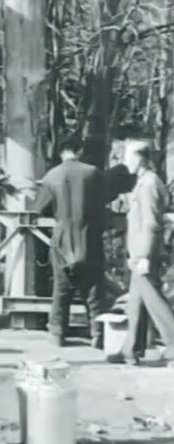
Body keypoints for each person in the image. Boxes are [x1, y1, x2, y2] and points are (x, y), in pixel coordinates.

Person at [34, 134, 109, 348]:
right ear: (80, 151)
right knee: (94, 287)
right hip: (89, 237)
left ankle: (57, 332)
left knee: (62, 287)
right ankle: (97, 332)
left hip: (62, 238)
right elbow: (105, 200)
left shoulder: (51, 176)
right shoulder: (93, 173)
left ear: (60, 152)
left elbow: (39, 209)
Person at [109, 140, 174, 365]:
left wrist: (145, 256)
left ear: (140, 158)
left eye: (128, 157)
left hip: (144, 253)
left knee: (154, 300)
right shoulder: (142, 183)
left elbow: (151, 223)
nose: (125, 162)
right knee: (136, 302)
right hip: (138, 251)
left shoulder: (149, 184)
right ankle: (131, 349)